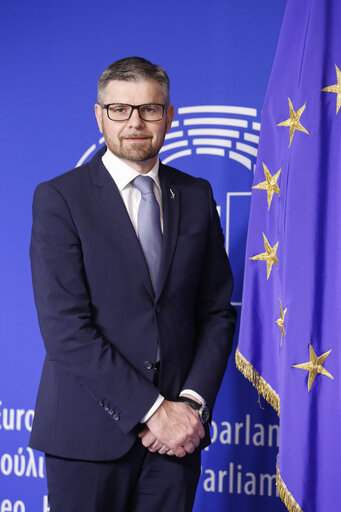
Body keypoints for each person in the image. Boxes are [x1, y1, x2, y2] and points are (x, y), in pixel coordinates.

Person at [29, 56, 236, 512]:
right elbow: (67, 330)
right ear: (99, 115)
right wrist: (152, 412)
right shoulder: (60, 198)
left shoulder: (197, 195)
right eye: (120, 109)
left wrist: (190, 405)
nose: (135, 123)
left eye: (150, 109)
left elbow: (216, 311)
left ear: (170, 115)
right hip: (87, 438)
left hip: (176, 442)